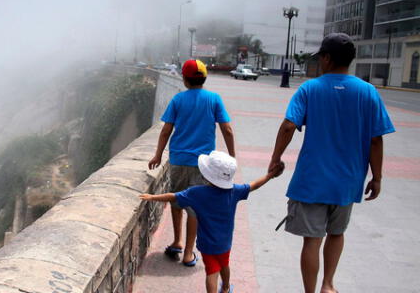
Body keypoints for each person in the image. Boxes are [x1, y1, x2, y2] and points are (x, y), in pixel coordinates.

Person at [268, 33, 395, 293]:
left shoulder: (309, 89)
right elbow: (376, 140)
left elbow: (289, 126)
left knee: (312, 240)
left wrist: (275, 158)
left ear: (326, 58)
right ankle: (328, 284)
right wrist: (377, 177)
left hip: (312, 180)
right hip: (348, 181)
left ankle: (311, 291)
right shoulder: (368, 92)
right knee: (337, 233)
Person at [141, 151, 284, 293]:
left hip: (206, 244)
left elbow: (173, 197)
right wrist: (270, 175)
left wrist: (153, 197)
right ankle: (226, 287)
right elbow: (254, 185)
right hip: (224, 242)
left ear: (206, 175)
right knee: (224, 264)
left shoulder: (196, 193)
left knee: (211, 272)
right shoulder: (234, 191)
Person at [148, 59, 235, 266]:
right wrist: (231, 156)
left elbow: (166, 130)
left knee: (177, 201)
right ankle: (188, 252)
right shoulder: (214, 99)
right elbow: (227, 129)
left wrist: (158, 154)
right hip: (203, 165)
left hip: (178, 159)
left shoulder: (178, 100)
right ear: (204, 78)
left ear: (185, 79)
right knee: (195, 207)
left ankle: (176, 241)